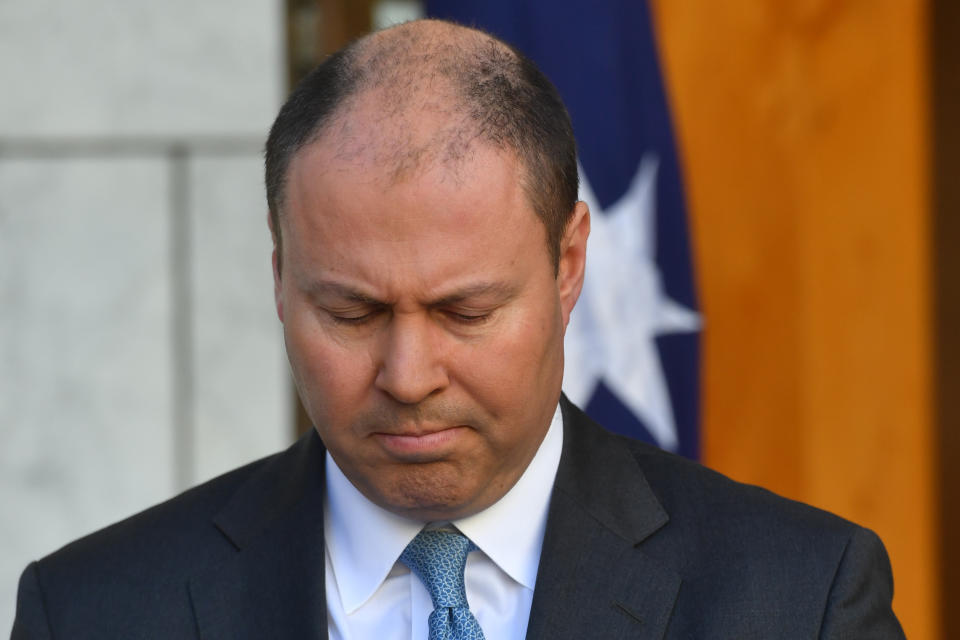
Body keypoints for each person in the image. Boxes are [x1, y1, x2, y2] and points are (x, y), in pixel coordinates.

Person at [11, 19, 904, 639]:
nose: (407, 374)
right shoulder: (96, 611)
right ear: (281, 278)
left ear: (569, 266)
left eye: (463, 312)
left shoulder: (798, 602)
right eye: (352, 312)